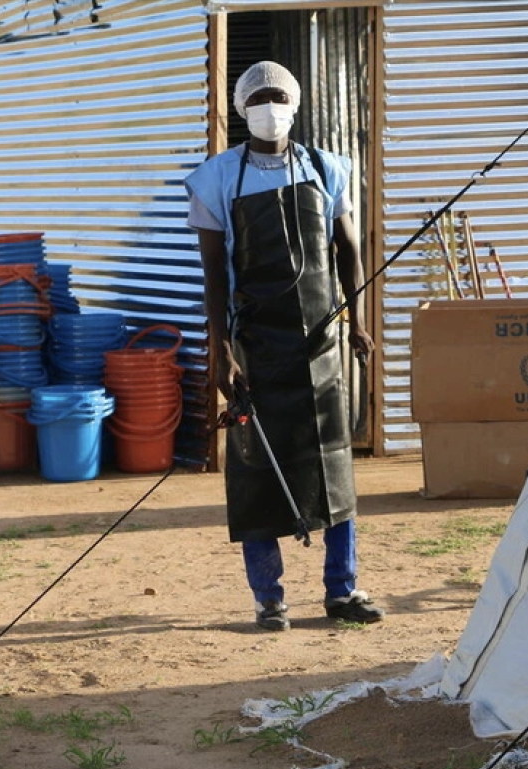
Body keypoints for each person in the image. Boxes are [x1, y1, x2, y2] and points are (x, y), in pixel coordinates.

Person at [184, 61, 385, 631]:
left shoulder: (327, 168)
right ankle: (268, 597)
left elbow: (349, 252)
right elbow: (213, 277)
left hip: (320, 342)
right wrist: (221, 351)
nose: (270, 107)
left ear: (295, 105)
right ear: (242, 108)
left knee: (334, 466)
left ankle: (342, 591)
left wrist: (358, 320)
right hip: (254, 346)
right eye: (260, 99)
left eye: (279, 98)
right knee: (257, 471)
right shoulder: (216, 179)